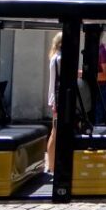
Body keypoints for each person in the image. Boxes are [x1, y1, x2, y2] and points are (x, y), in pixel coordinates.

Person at [46, 32, 62, 173]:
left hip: (55, 99)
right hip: (59, 100)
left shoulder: (55, 57)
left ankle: (52, 165)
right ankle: (51, 165)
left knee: (55, 132)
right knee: (55, 133)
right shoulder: (60, 58)